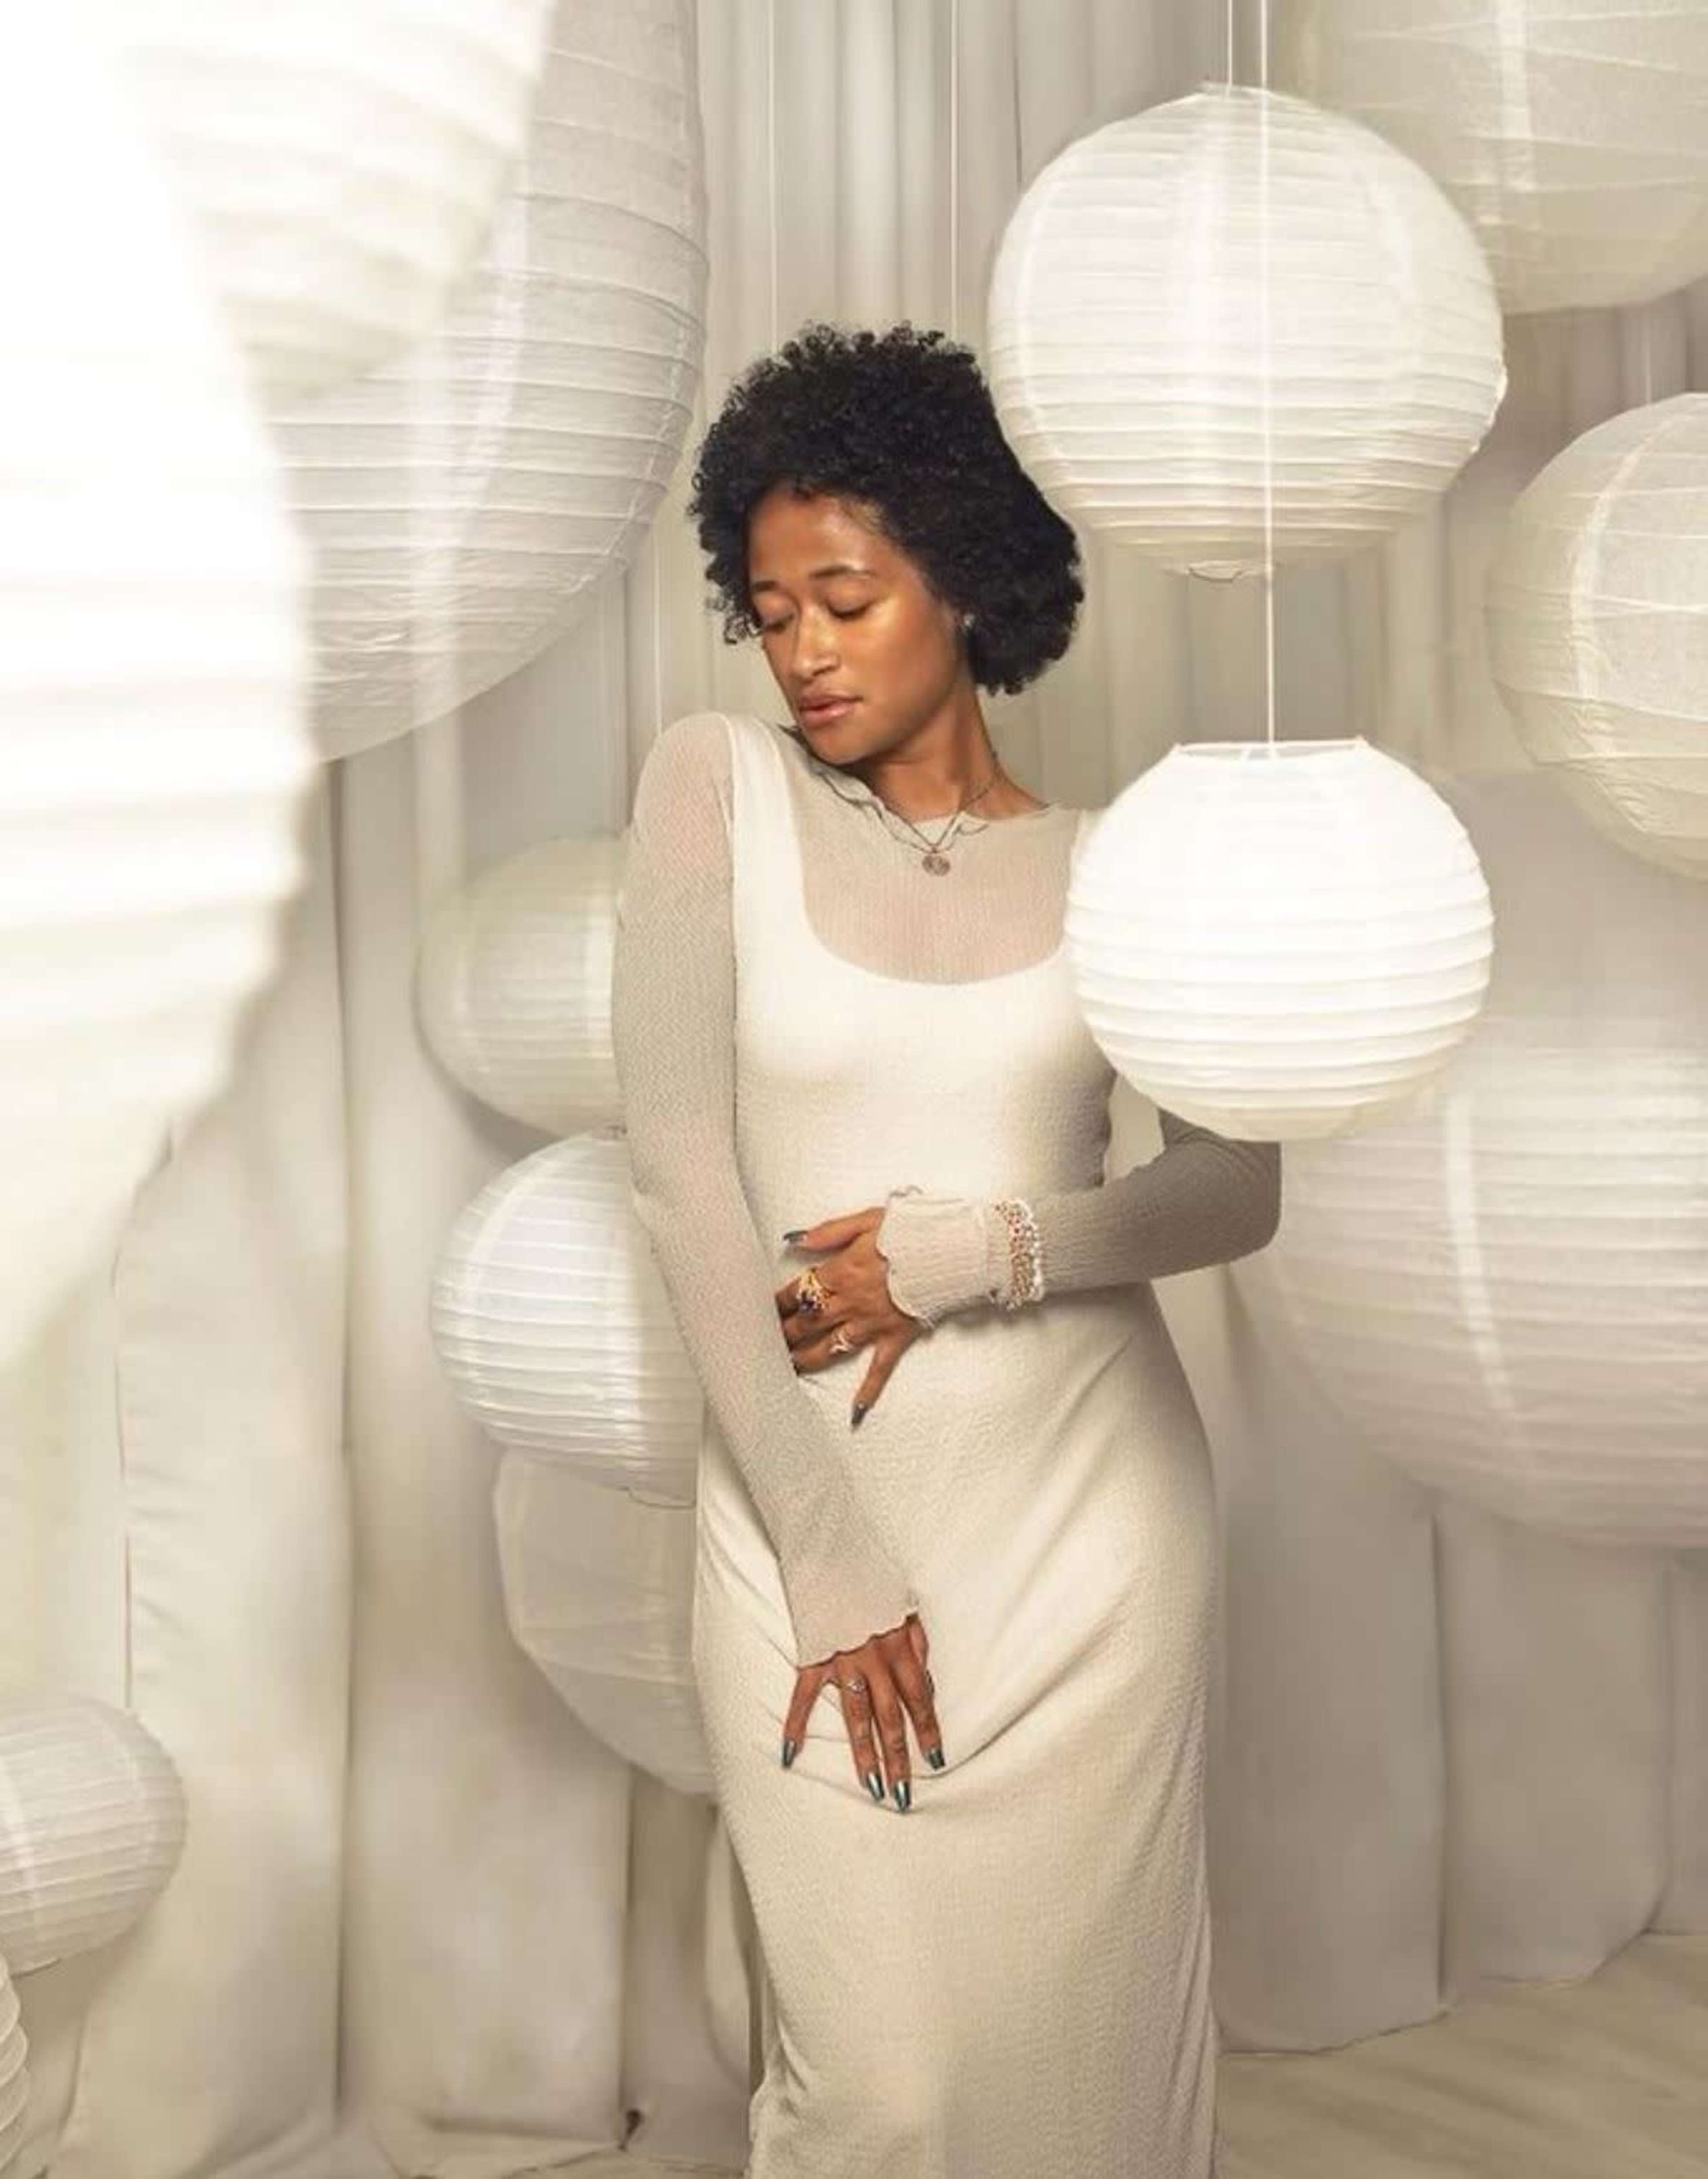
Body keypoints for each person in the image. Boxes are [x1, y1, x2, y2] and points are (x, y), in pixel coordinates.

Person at [611, 321, 1281, 2179]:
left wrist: (977, 1249)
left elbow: (1237, 1188)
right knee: (882, 2089)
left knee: (1090, 2076)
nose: (802, 649)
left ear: (967, 584)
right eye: (769, 609)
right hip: (807, 1529)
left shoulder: (1122, 863)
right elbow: (678, 1171)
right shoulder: (713, 790)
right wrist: (827, 1556)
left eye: (846, 595)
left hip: (1092, 1537)